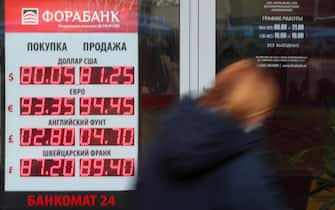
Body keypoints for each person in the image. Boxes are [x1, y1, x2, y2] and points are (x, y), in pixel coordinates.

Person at [135, 59, 287, 210]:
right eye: (265, 111)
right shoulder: (241, 164)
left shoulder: (164, 141)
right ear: (254, 110)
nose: (265, 118)